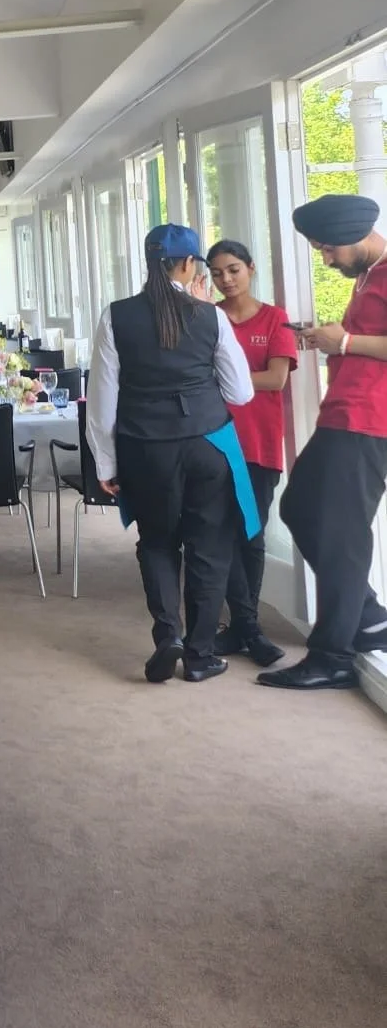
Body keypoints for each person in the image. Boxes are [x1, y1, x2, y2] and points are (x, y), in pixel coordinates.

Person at [86, 224, 257, 683]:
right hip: (206, 443)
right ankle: (201, 654)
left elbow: (103, 402)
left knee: (158, 542)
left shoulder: (115, 316)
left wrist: (106, 464)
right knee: (209, 547)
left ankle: (169, 638)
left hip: (146, 449)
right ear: (189, 265)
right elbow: (240, 392)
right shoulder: (210, 316)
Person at [262, 194, 387, 690]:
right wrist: (332, 339)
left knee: (342, 530)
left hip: (369, 420)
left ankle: (333, 654)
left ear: (358, 233)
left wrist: (347, 343)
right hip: (346, 413)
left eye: (328, 248)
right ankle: (371, 617)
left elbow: (364, 345)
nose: (326, 258)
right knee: (300, 508)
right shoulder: (369, 275)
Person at [205, 238, 296, 667]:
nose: (226, 279)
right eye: (218, 272)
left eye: (233, 269)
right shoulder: (206, 318)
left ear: (251, 268)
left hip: (258, 445)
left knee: (251, 537)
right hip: (212, 441)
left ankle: (244, 627)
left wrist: (224, 375)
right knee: (220, 537)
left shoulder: (275, 319)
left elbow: (276, 379)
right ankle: (248, 628)